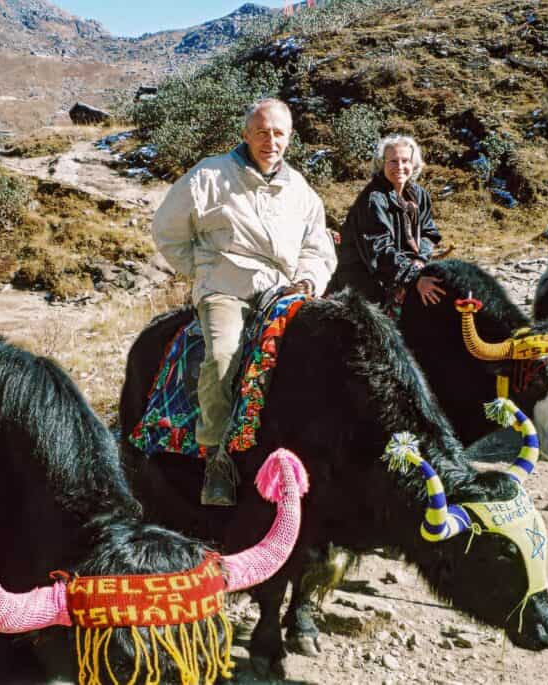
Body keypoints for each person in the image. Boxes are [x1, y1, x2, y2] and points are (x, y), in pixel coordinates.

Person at [152, 98, 336, 506]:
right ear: (245, 134)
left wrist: (308, 279)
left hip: (286, 290)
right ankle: (217, 459)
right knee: (221, 356)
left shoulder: (300, 190)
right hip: (227, 289)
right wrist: (205, 271)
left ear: (289, 137)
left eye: (279, 133)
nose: (271, 141)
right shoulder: (210, 175)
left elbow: (318, 245)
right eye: (262, 131)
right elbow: (166, 230)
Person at [330, 134, 444, 313]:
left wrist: (419, 260)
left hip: (401, 270)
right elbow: (379, 250)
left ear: (413, 164)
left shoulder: (419, 195)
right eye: (393, 161)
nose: (400, 167)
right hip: (365, 279)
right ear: (381, 164)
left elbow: (428, 233)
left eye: (405, 160)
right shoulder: (373, 199)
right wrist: (413, 278)